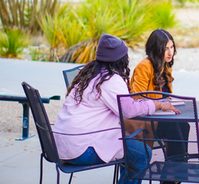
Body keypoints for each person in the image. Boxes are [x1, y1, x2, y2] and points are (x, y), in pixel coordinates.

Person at [54, 33, 180, 184]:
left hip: (61, 146)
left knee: (130, 146)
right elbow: (129, 110)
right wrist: (158, 104)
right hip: (82, 149)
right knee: (142, 153)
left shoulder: (88, 75)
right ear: (121, 59)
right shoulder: (111, 80)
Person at [129, 29, 190, 183]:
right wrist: (161, 105)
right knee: (179, 127)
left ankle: (173, 176)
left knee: (183, 125)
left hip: (159, 116)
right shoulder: (145, 66)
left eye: (172, 47)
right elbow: (137, 98)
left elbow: (165, 96)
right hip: (143, 119)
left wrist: (169, 104)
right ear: (156, 49)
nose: (170, 52)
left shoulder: (165, 66)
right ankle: (173, 178)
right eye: (166, 48)